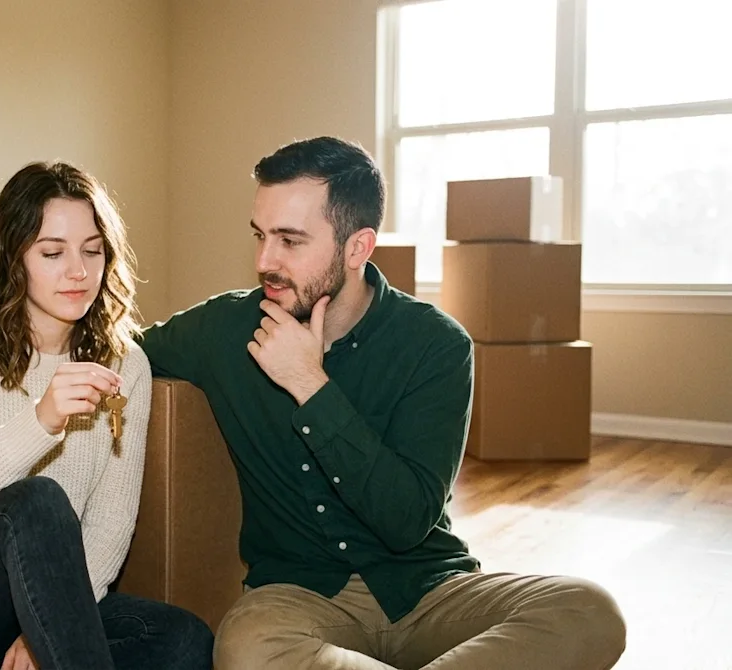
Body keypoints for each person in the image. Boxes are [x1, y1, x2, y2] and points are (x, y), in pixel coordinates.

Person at [137, 137, 626, 670]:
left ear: (357, 248)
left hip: (425, 589)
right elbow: (122, 353)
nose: (264, 261)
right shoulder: (223, 328)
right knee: (245, 649)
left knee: (589, 610)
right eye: (260, 236)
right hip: (297, 598)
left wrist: (311, 387)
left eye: (290, 241)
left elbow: (406, 520)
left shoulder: (436, 345)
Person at [0, 162, 214, 670]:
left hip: (49, 596)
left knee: (186, 641)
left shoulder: (126, 365)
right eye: (52, 252)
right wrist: (41, 422)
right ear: (13, 258)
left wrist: (41, 634)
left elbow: (111, 520)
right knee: (36, 502)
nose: (78, 270)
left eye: (92, 250)